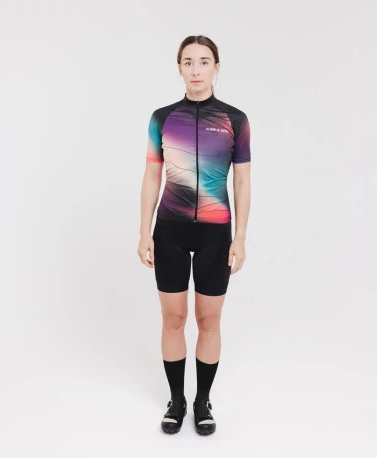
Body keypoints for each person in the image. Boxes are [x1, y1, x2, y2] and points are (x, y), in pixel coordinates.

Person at [137, 35, 251, 435]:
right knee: (173, 318)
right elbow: (151, 175)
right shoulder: (162, 118)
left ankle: (203, 401)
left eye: (204, 61)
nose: (196, 69)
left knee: (208, 319)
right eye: (189, 62)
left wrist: (240, 237)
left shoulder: (235, 120)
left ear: (216, 67)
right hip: (169, 230)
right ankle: (177, 400)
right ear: (179, 68)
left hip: (216, 234)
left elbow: (242, 182)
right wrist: (144, 231)